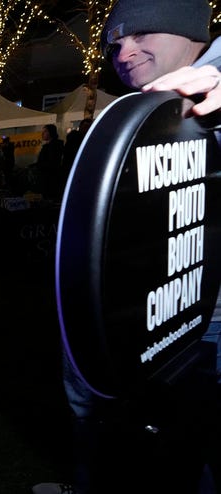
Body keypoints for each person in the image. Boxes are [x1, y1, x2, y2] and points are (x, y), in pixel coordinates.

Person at [33, 1, 221, 493]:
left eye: (141, 34)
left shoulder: (211, 89)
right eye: (115, 43)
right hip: (125, 317)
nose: (124, 52)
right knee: (105, 428)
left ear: (189, 31)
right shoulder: (142, 112)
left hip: (203, 325)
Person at [30, 124, 65, 199]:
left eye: (45, 131)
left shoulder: (54, 146)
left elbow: (51, 162)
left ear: (51, 132)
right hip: (47, 177)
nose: (42, 134)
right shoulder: (49, 145)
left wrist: (39, 166)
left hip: (50, 178)